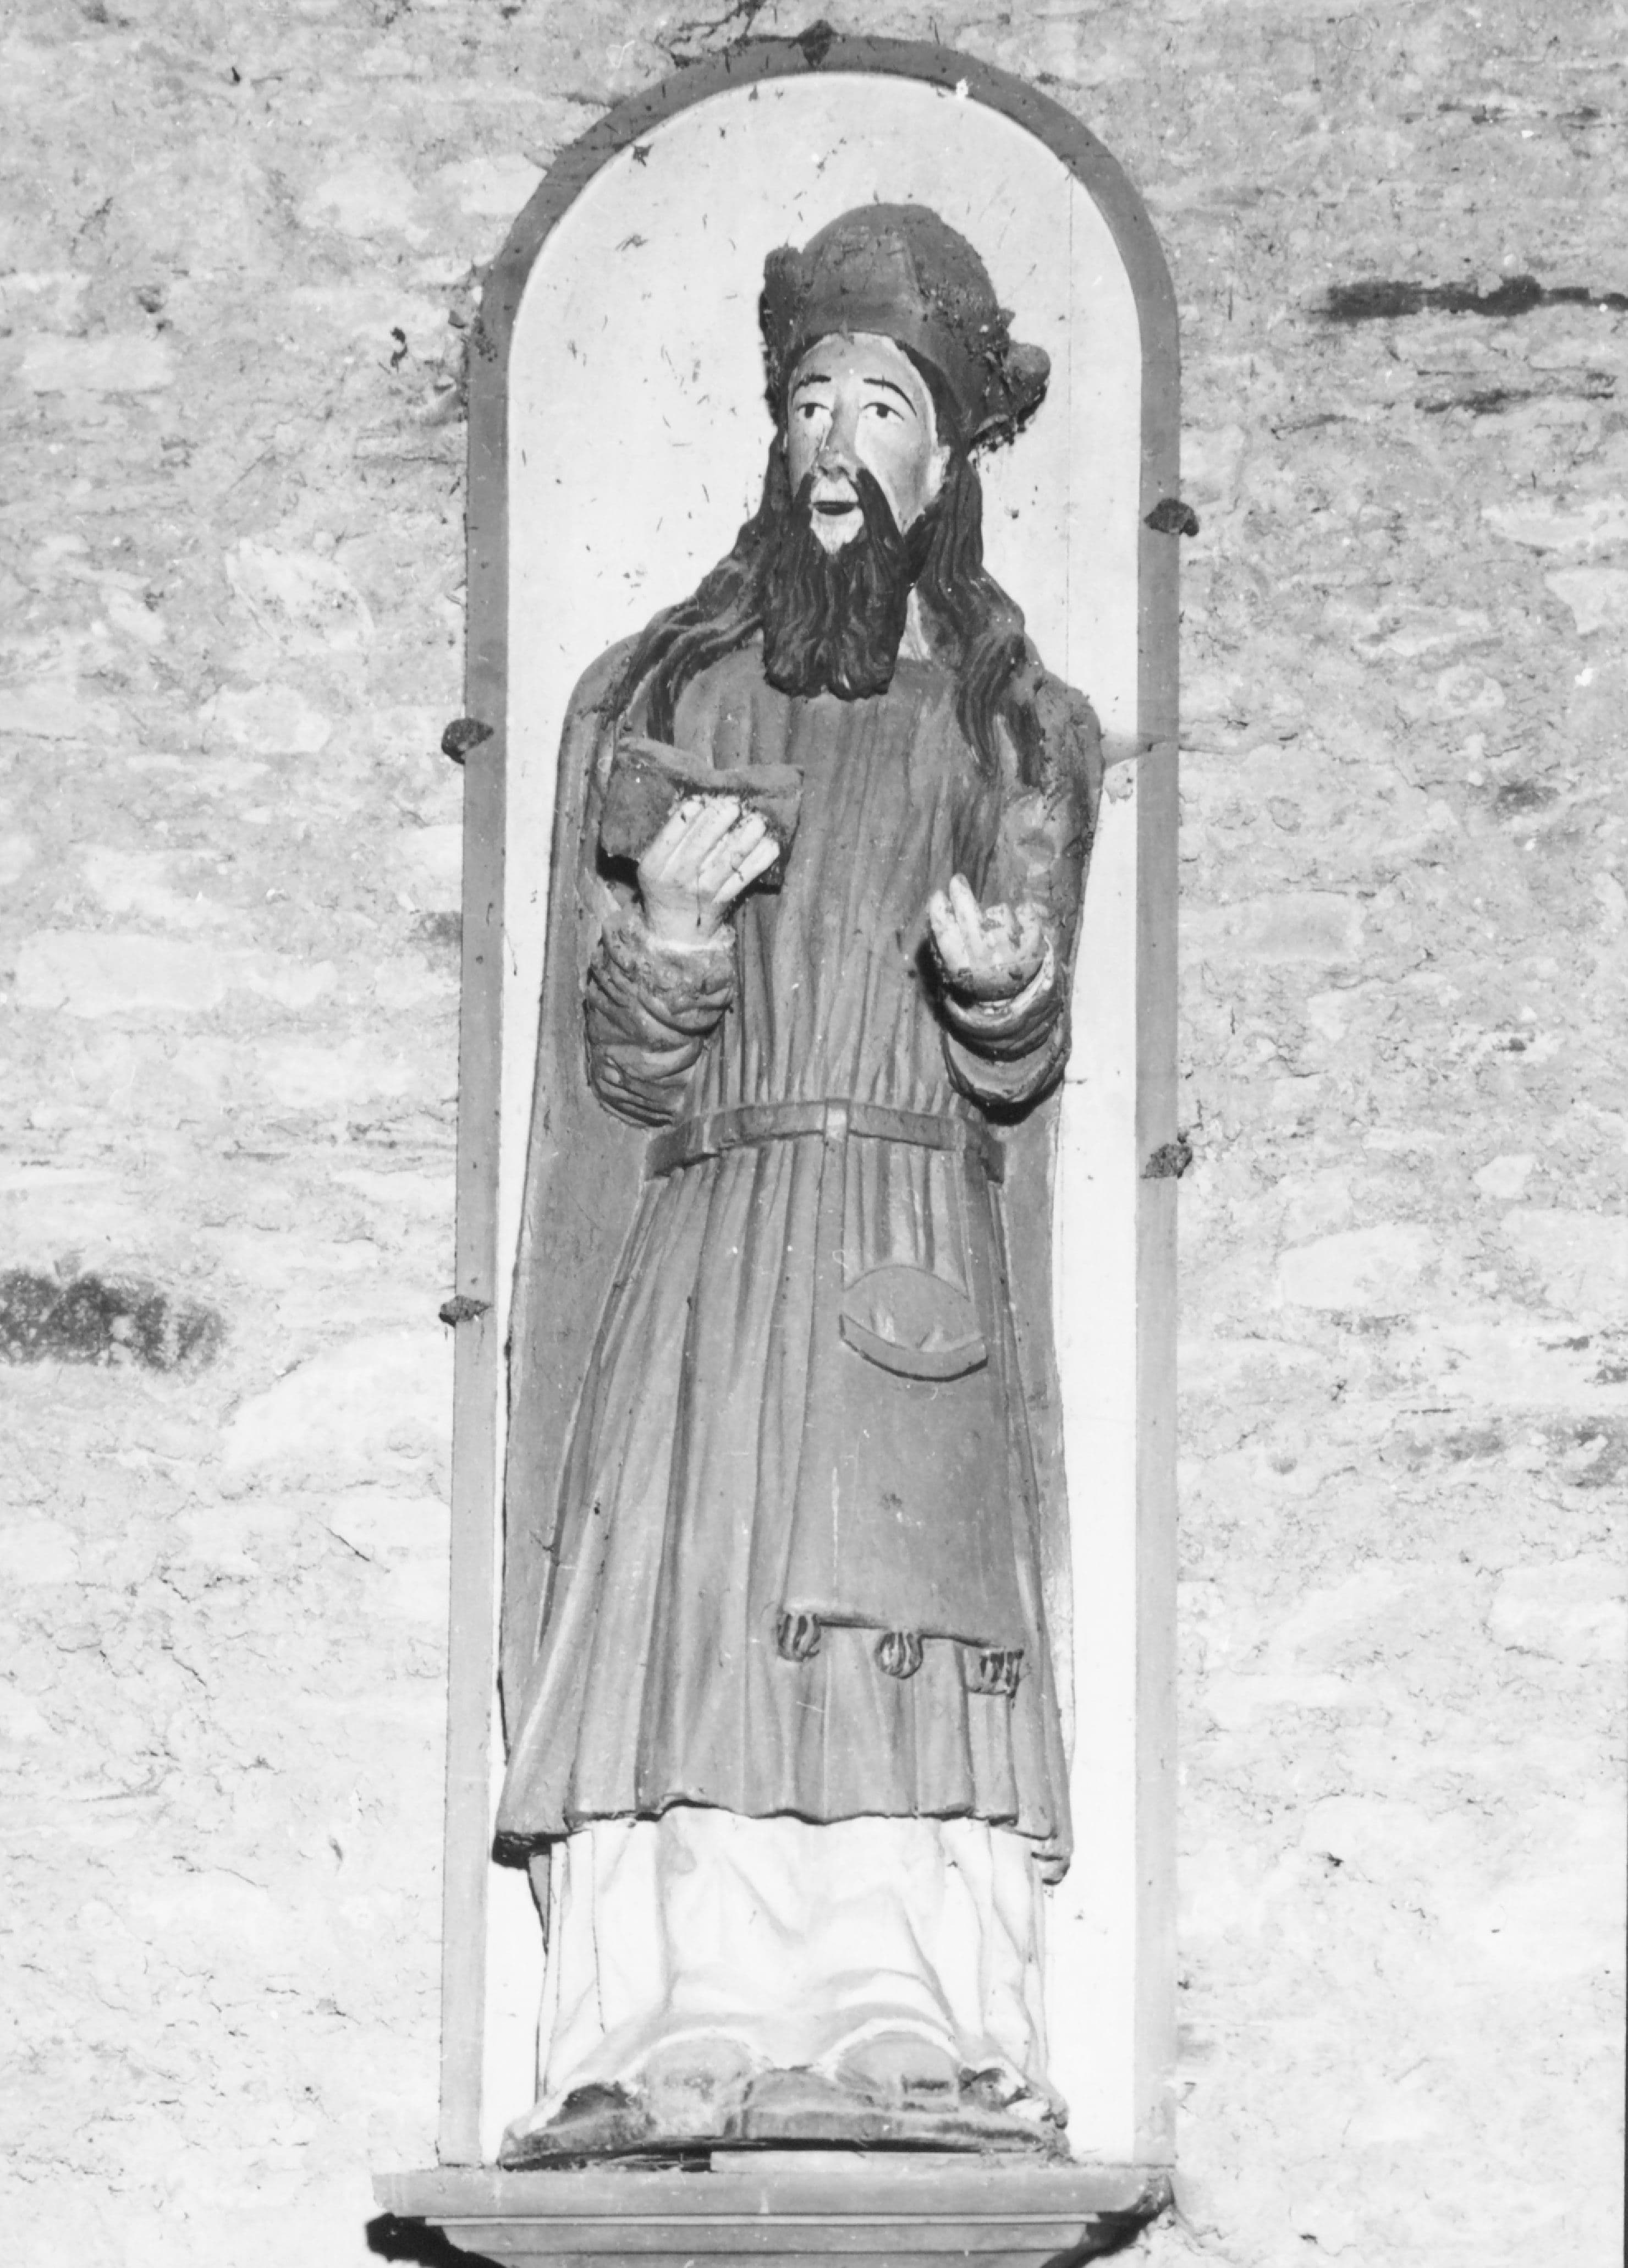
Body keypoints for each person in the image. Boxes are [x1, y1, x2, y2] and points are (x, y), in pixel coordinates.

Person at [496, 205, 1103, 2160]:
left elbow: (1019, 1052)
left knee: (894, 1621)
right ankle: (674, 2010)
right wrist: (672, 938)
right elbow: (620, 1077)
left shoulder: (1017, 730)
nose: (838, 442)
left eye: (883, 406)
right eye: (813, 402)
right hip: (716, 1236)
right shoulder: (668, 703)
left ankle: (903, 2003)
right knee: (698, 1591)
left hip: (908, 1236)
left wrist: (998, 986)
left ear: (948, 457)